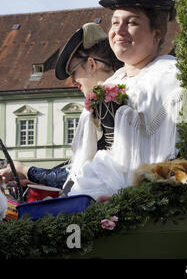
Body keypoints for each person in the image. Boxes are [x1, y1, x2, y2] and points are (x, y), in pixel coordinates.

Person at [64, 0, 183, 200]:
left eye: (132, 23)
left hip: (138, 201)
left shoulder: (170, 76)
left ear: (156, 33)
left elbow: (167, 153)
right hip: (93, 186)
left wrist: (129, 197)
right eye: (115, 22)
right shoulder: (113, 81)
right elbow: (87, 154)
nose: (119, 31)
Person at [0, 23, 123, 190]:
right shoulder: (115, 95)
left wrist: (25, 169)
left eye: (74, 73)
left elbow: (87, 176)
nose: (73, 82)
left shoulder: (109, 102)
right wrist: (37, 180)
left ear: (92, 64)